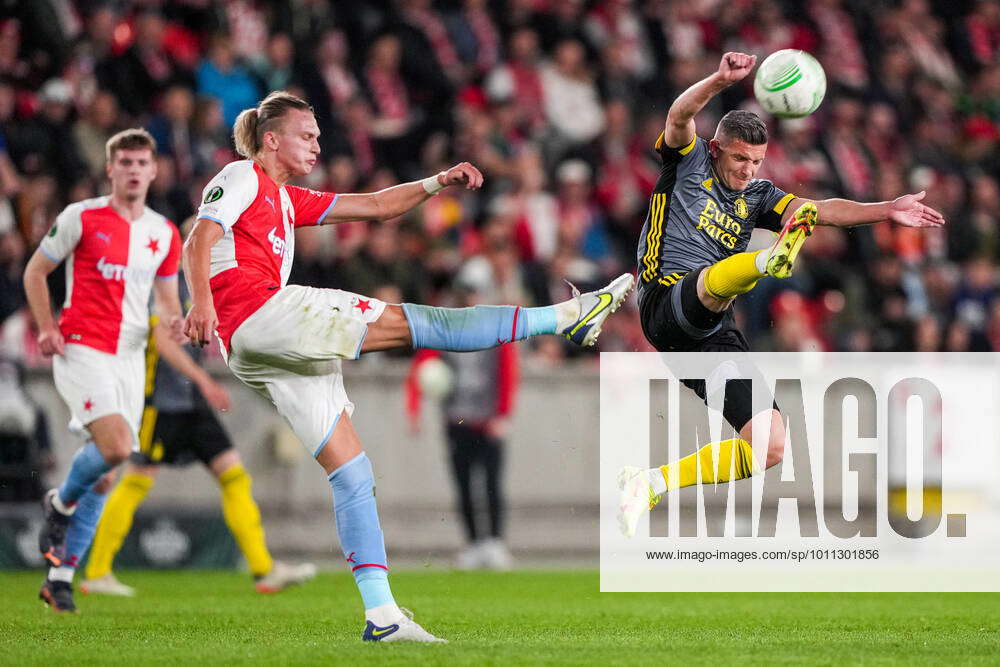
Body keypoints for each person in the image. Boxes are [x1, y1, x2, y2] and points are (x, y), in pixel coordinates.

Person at [182, 91, 633, 642]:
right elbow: (199, 236)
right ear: (272, 138)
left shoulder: (285, 198)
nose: (318, 143)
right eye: (308, 134)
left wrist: (434, 183)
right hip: (258, 315)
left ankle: (382, 616)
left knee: (352, 471)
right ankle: (567, 315)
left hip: (262, 345)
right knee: (427, 323)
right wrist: (201, 301)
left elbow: (373, 207)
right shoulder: (243, 177)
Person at [617, 52, 946, 538]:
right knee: (710, 284)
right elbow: (678, 116)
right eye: (739, 159)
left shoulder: (759, 195)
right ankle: (767, 261)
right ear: (715, 149)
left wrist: (886, 208)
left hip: (710, 334)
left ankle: (648, 483)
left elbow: (824, 209)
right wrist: (719, 80)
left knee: (769, 445)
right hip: (665, 302)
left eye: (756, 161)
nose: (748, 170)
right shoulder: (686, 161)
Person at [23, 129, 183, 611]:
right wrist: (46, 327)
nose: (134, 170)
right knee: (115, 447)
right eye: (125, 162)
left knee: (109, 474)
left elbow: (168, 300)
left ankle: (61, 578)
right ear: (110, 169)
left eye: (142, 162)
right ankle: (61, 504)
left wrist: (178, 323)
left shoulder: (164, 232)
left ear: (154, 171)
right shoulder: (81, 217)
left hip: (130, 357)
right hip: (82, 347)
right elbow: (35, 272)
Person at [82, 285, 316, 597]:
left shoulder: (194, 279)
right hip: (159, 402)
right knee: (136, 481)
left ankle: (264, 569)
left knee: (234, 475)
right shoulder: (162, 276)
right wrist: (205, 381)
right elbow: (161, 340)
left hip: (192, 403)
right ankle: (97, 573)